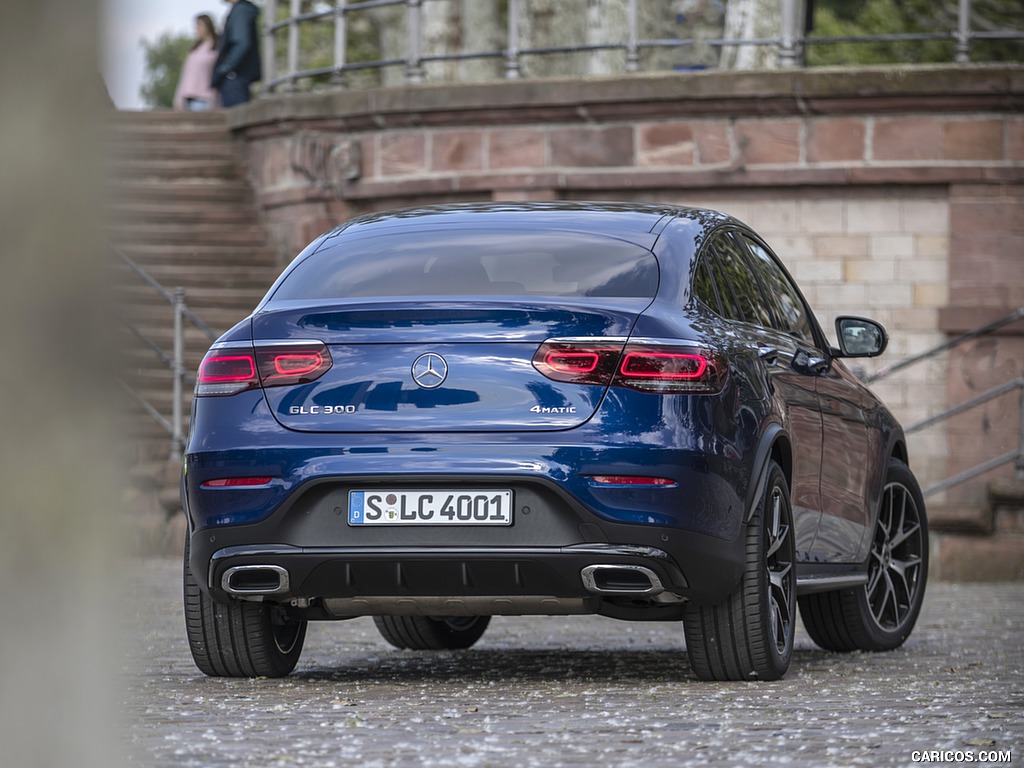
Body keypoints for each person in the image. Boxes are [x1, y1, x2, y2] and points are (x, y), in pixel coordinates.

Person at [212, 0, 261, 108]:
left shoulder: (240, 10)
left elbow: (242, 43)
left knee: (235, 118)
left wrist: (225, 69)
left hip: (235, 77)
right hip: (235, 76)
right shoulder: (241, 10)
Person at [173, 14, 219, 111]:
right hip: (188, 98)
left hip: (205, 98)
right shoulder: (194, 51)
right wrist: (178, 100)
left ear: (207, 26)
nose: (197, 29)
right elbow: (185, 76)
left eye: (199, 25)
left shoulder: (215, 50)